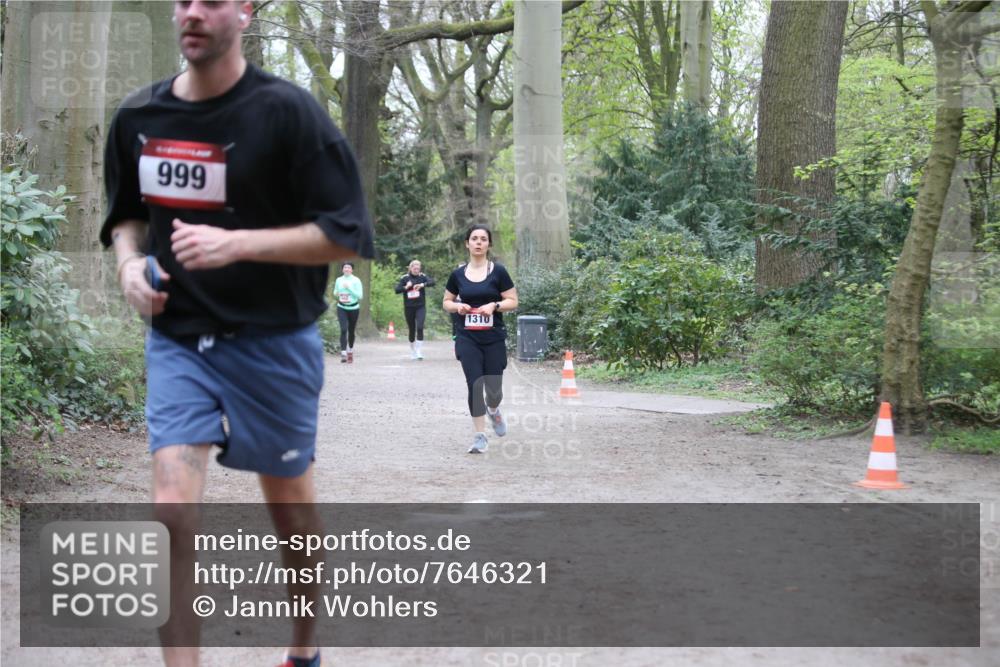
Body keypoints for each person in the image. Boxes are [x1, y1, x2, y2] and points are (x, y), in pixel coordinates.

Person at [100, 2, 373, 665]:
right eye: (183, 0)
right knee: (172, 511)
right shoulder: (140, 118)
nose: (192, 13)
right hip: (179, 339)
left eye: (212, 1)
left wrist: (238, 245)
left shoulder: (290, 115)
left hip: (273, 341)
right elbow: (125, 219)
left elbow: (348, 235)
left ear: (245, 12)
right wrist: (130, 265)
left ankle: (304, 648)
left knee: (291, 514)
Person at [443, 225, 518, 453]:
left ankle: (493, 411)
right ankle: (479, 436)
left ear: (488, 245)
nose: (478, 242)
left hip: (493, 337)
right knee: (474, 385)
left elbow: (513, 301)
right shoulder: (457, 275)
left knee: (494, 391)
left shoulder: (499, 272)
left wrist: (494, 305)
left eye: (483, 239)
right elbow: (446, 302)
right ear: (467, 243)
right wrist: (458, 307)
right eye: (474, 238)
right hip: (467, 338)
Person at [394, 259, 435, 360]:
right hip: (409, 307)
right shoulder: (405, 278)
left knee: (420, 327)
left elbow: (432, 282)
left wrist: (422, 285)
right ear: (410, 268)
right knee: (412, 329)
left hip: (420, 306)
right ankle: (412, 350)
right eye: (415, 268)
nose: (417, 270)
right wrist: (406, 287)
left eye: (418, 268)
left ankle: (419, 351)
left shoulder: (422, 277)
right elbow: (396, 290)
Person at [333, 261, 363, 363]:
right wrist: (337, 292)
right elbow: (335, 292)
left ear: (352, 270)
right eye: (345, 267)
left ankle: (350, 350)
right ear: (342, 269)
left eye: (349, 268)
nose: (346, 269)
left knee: (351, 330)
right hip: (341, 307)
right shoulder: (338, 280)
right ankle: (343, 353)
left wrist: (349, 288)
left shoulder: (356, 280)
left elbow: (360, 296)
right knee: (343, 329)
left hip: (354, 308)